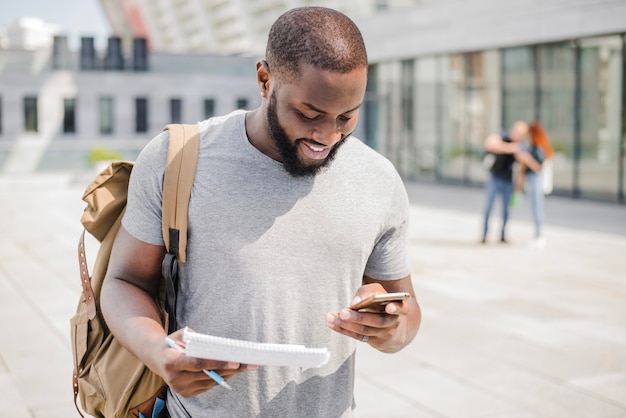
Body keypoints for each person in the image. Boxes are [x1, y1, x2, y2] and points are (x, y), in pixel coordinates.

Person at [101, 6, 421, 418]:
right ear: (265, 80)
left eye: (347, 116)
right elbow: (125, 280)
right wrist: (158, 351)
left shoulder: (379, 179)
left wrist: (392, 328)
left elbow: (408, 316)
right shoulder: (177, 158)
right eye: (309, 114)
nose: (327, 136)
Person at [481, 121, 530, 243]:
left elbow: (522, 166)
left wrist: (519, 186)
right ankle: (485, 234)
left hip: (509, 180)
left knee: (506, 209)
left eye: (522, 135)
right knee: (489, 207)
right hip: (495, 177)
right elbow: (490, 144)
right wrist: (510, 148)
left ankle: (502, 235)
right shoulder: (501, 134)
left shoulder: (521, 145)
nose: (519, 136)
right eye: (519, 133)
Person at [515, 121, 553, 248]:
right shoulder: (532, 147)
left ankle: (539, 236)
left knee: (537, 207)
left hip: (536, 180)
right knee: (534, 207)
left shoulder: (538, 149)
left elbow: (538, 167)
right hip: (531, 180)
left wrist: (526, 159)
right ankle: (537, 235)